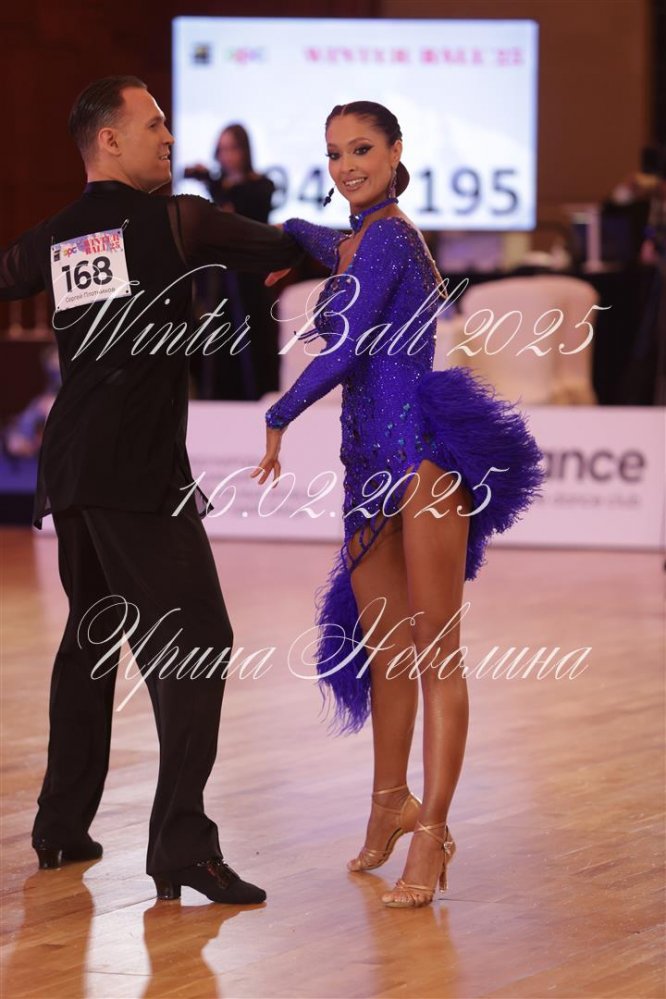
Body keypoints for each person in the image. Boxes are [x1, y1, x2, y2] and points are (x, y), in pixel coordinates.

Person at [0, 75, 303, 904]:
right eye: (154, 123)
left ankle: (61, 825)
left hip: (74, 466)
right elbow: (288, 245)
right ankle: (181, 844)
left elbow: (6, 274)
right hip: (132, 471)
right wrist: (347, 237)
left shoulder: (58, 236)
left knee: (93, 639)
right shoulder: (178, 221)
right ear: (108, 140)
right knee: (197, 638)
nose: (169, 136)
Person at [252, 101, 545, 909]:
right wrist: (291, 235)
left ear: (395, 152)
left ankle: (433, 831)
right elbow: (323, 237)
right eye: (335, 153)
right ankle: (389, 801)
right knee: (386, 652)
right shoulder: (360, 236)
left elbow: (347, 347)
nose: (348, 165)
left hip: (422, 460)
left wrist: (279, 414)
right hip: (366, 468)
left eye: (362, 150)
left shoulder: (389, 237)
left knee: (434, 649)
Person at [184, 124, 278, 399]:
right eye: (222, 149)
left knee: (252, 341)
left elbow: (238, 214)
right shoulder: (219, 187)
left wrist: (212, 183)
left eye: (232, 148)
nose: (227, 156)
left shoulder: (261, 186)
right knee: (218, 340)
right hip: (219, 279)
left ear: (245, 150)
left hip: (250, 279)